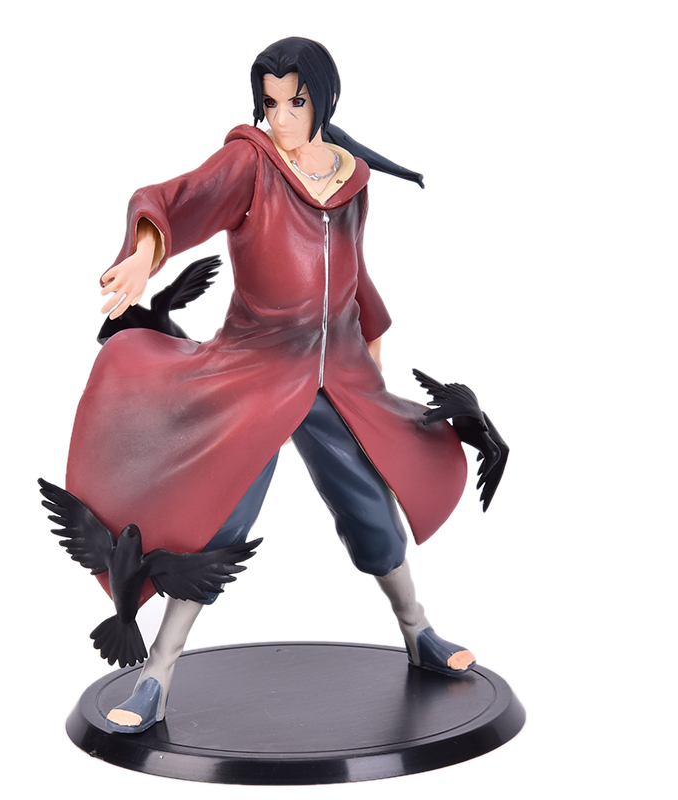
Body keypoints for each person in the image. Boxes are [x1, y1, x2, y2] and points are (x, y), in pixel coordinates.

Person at [66, 37, 474, 734]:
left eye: (296, 101)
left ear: (323, 101)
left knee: (373, 508)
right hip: (256, 373)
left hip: (338, 374)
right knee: (216, 519)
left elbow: (352, 270)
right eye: (270, 102)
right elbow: (178, 200)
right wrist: (144, 253)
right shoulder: (250, 162)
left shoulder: (350, 177)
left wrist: (372, 356)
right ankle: (157, 674)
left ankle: (418, 632)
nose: (280, 117)